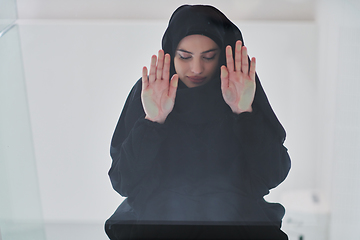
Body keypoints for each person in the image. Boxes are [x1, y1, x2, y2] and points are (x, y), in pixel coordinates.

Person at [105, 4, 291, 240]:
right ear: (171, 54)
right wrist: (153, 120)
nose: (196, 68)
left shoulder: (241, 86)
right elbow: (124, 181)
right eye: (184, 57)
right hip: (159, 224)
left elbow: (273, 174)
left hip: (236, 222)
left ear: (224, 54)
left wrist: (243, 112)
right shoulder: (152, 91)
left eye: (209, 57)